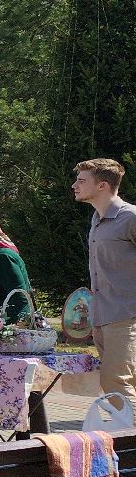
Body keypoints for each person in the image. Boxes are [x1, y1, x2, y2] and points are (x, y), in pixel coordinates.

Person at [76, 159, 136, 411]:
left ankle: (130, 442)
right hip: (102, 316)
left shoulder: (130, 217)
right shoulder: (96, 219)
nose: (74, 185)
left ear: (102, 185)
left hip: (127, 316)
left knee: (115, 382)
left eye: (81, 181)